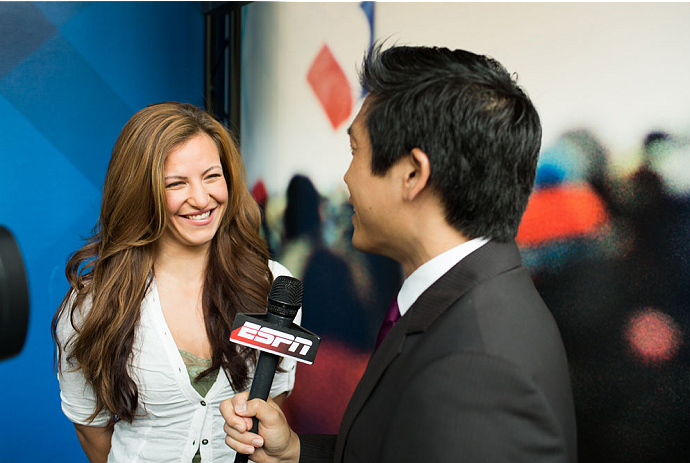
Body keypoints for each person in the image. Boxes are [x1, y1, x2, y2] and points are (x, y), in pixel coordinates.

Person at [220, 44, 577, 462]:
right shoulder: (456, 302)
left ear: (412, 174)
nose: (347, 176)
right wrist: (297, 452)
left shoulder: (478, 368)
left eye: (356, 151)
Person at [52, 102, 299, 462]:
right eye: (176, 184)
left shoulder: (272, 286)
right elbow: (93, 434)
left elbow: (268, 412)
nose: (201, 199)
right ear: (141, 192)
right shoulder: (93, 305)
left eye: (212, 176)